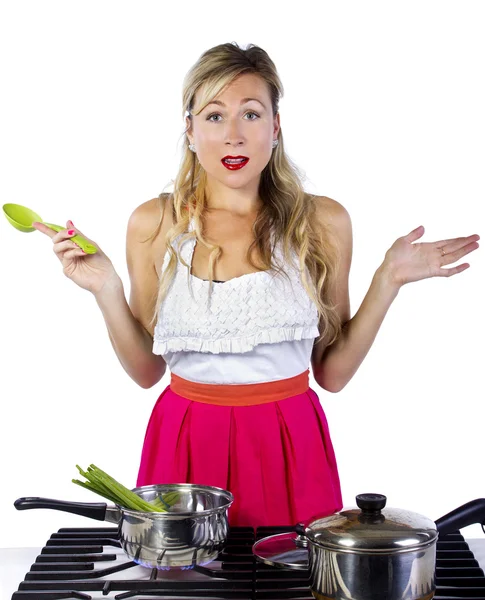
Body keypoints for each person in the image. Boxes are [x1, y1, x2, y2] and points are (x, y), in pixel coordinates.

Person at [32, 42, 479, 528]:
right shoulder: (153, 223)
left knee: (292, 584)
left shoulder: (322, 222)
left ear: (275, 126)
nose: (234, 136)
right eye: (214, 116)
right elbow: (145, 371)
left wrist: (388, 278)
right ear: (190, 129)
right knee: (185, 587)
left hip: (291, 439)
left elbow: (331, 373)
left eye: (251, 113)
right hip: (184, 437)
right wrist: (106, 290)